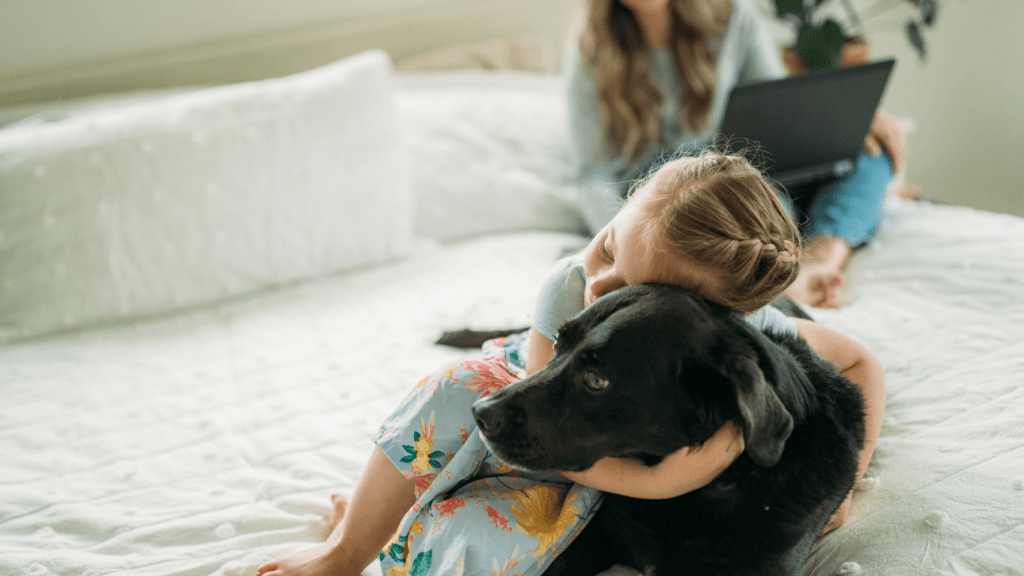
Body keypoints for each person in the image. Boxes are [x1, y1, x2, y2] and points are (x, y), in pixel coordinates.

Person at [255, 152, 885, 576]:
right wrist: (661, 482)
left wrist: (845, 487)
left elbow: (858, 365)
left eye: (624, 293)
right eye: (609, 244)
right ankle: (346, 549)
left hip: (596, 411)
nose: (597, 280)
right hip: (539, 380)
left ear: (703, 314)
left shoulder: (736, 335)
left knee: (524, 520)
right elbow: (534, 391)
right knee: (451, 395)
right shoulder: (570, 285)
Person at [567, 0, 908, 309]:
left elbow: (778, 112)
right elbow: (592, 174)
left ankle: (819, 261)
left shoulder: (733, 16)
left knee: (870, 153)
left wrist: (846, 120)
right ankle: (780, 264)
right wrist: (623, 235)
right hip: (675, 191)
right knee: (734, 180)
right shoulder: (591, 48)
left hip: (752, 163)